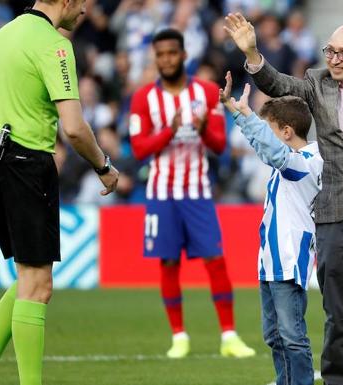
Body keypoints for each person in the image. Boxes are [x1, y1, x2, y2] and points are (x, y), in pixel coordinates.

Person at [225, 12, 343, 385]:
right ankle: (336, 381)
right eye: (331, 51)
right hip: (333, 209)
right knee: (337, 311)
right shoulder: (316, 82)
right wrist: (252, 54)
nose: (336, 59)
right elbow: (278, 84)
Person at [0, 1, 119, 385]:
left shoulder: (0, 37)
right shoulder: (55, 44)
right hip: (25, 160)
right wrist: (104, 166)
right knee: (38, 285)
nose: (84, 10)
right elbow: (74, 127)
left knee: (26, 278)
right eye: (82, 2)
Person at [128, 28, 255, 359]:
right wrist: (169, 131)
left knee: (215, 259)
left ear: (184, 55)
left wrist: (200, 129)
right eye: (161, 54)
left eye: (172, 53)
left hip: (197, 191)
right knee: (168, 262)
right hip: (160, 193)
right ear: (156, 59)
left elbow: (220, 144)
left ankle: (229, 336)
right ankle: (179, 337)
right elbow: (139, 149)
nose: (167, 59)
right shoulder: (144, 98)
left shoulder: (206, 93)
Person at [220, 72, 323, 385]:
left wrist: (247, 114)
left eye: (270, 130)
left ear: (287, 132)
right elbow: (268, 149)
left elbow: (274, 152)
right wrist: (240, 114)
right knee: (274, 336)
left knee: (292, 336)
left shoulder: (308, 161)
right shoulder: (290, 158)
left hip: (288, 258)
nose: (265, 138)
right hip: (270, 259)